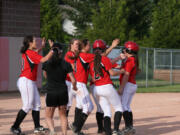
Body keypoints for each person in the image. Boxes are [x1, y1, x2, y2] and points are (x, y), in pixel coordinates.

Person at [10, 35, 54, 135]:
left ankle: (37, 127)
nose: (36, 42)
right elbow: (43, 60)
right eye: (34, 41)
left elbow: (35, 54)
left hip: (29, 81)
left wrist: (42, 47)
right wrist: (53, 50)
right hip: (26, 81)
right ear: (30, 43)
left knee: (37, 104)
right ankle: (15, 127)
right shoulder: (30, 53)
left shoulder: (29, 52)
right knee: (27, 105)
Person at [89, 40, 124, 135]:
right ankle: (116, 130)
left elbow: (93, 77)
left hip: (97, 89)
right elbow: (112, 73)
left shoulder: (91, 61)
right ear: (104, 49)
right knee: (119, 108)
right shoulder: (104, 59)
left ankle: (108, 132)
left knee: (107, 111)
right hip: (106, 87)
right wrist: (121, 71)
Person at [42, 42, 77, 135]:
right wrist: (75, 87)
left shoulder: (46, 64)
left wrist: (51, 79)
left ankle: (53, 131)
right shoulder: (66, 64)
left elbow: (45, 75)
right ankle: (64, 133)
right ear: (61, 52)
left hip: (51, 91)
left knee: (49, 116)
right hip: (63, 92)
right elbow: (73, 80)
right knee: (63, 116)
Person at [69, 39, 94, 135]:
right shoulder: (84, 55)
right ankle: (77, 129)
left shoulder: (78, 55)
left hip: (76, 84)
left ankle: (75, 125)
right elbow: (101, 57)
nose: (90, 47)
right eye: (89, 45)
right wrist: (112, 47)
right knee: (89, 107)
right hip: (79, 84)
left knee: (80, 105)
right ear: (84, 46)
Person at [118, 41, 139, 135]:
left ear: (128, 50)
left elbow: (126, 75)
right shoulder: (132, 59)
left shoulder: (130, 60)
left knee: (123, 106)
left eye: (125, 49)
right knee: (127, 106)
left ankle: (128, 128)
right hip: (132, 85)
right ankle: (130, 127)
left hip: (128, 85)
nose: (124, 50)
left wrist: (121, 87)